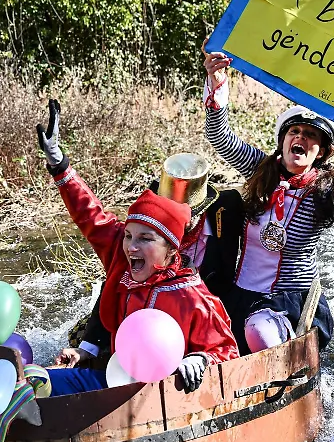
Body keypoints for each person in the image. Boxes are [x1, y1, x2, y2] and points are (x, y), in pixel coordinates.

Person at [36, 100, 239, 395]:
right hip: (115, 375)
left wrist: (201, 358)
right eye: (130, 236)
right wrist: (59, 165)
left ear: (173, 246)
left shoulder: (195, 297)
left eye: (144, 239)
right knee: (30, 382)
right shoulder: (126, 248)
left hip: (167, 396)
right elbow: (91, 216)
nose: (132, 246)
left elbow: (225, 350)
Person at [202, 48, 334, 355]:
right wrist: (217, 83)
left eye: (310, 135)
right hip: (241, 293)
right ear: (283, 140)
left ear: (320, 151)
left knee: (260, 334)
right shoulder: (260, 169)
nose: (301, 138)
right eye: (295, 131)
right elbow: (219, 136)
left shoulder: (324, 191)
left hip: (288, 302)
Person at [69, 154, 246, 363]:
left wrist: (204, 355)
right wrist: (89, 346)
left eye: (183, 213)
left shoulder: (226, 217)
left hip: (198, 328)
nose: (175, 216)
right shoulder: (136, 238)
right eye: (168, 209)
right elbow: (93, 219)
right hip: (134, 328)